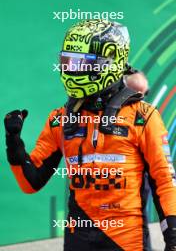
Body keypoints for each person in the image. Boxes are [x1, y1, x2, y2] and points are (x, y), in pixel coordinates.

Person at [4, 19, 176, 251]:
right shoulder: (60, 119)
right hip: (78, 240)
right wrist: (14, 143)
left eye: (82, 63)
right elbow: (31, 182)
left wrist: (173, 238)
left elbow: (165, 182)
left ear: (110, 62)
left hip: (127, 241)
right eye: (68, 62)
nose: (73, 70)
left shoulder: (143, 117)